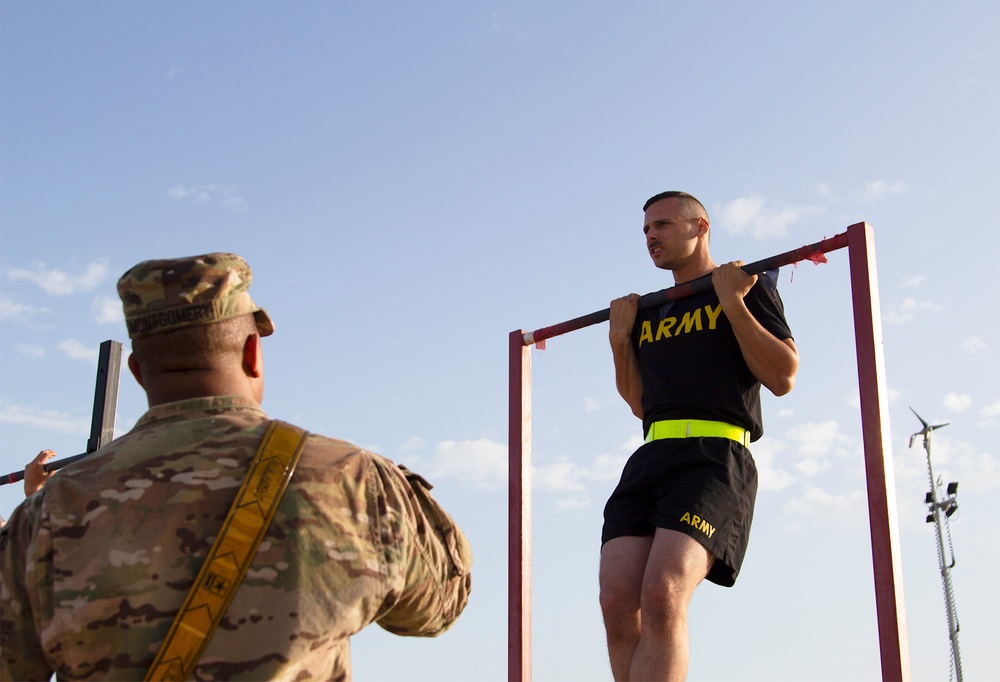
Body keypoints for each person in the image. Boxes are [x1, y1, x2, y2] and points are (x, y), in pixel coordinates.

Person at [1, 253, 472, 681]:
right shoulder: (354, 479)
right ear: (252, 353)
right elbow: (439, 608)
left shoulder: (48, 514)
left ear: (139, 371)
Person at [599, 191, 797, 681]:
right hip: (652, 455)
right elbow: (641, 404)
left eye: (662, 225)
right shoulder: (649, 310)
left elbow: (783, 376)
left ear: (700, 226)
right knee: (617, 600)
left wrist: (732, 301)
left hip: (715, 453)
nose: (651, 237)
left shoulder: (745, 288)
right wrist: (620, 342)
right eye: (646, 230)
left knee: (663, 593)